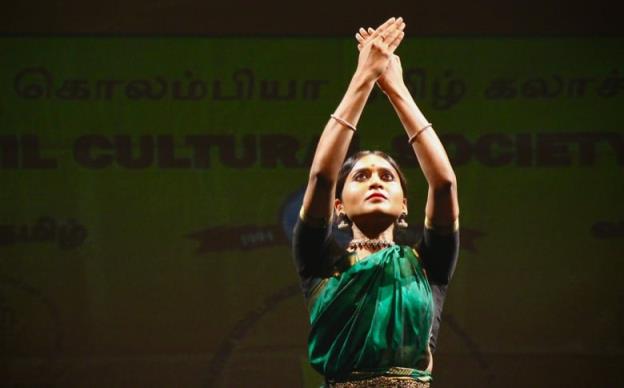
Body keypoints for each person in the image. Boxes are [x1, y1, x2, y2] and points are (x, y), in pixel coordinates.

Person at [291, 17, 460, 387]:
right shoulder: (320, 262)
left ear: (404, 206)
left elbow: (444, 183)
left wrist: (396, 89)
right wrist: (363, 78)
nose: (375, 183)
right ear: (338, 207)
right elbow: (321, 177)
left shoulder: (428, 262)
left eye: (387, 176)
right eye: (361, 176)